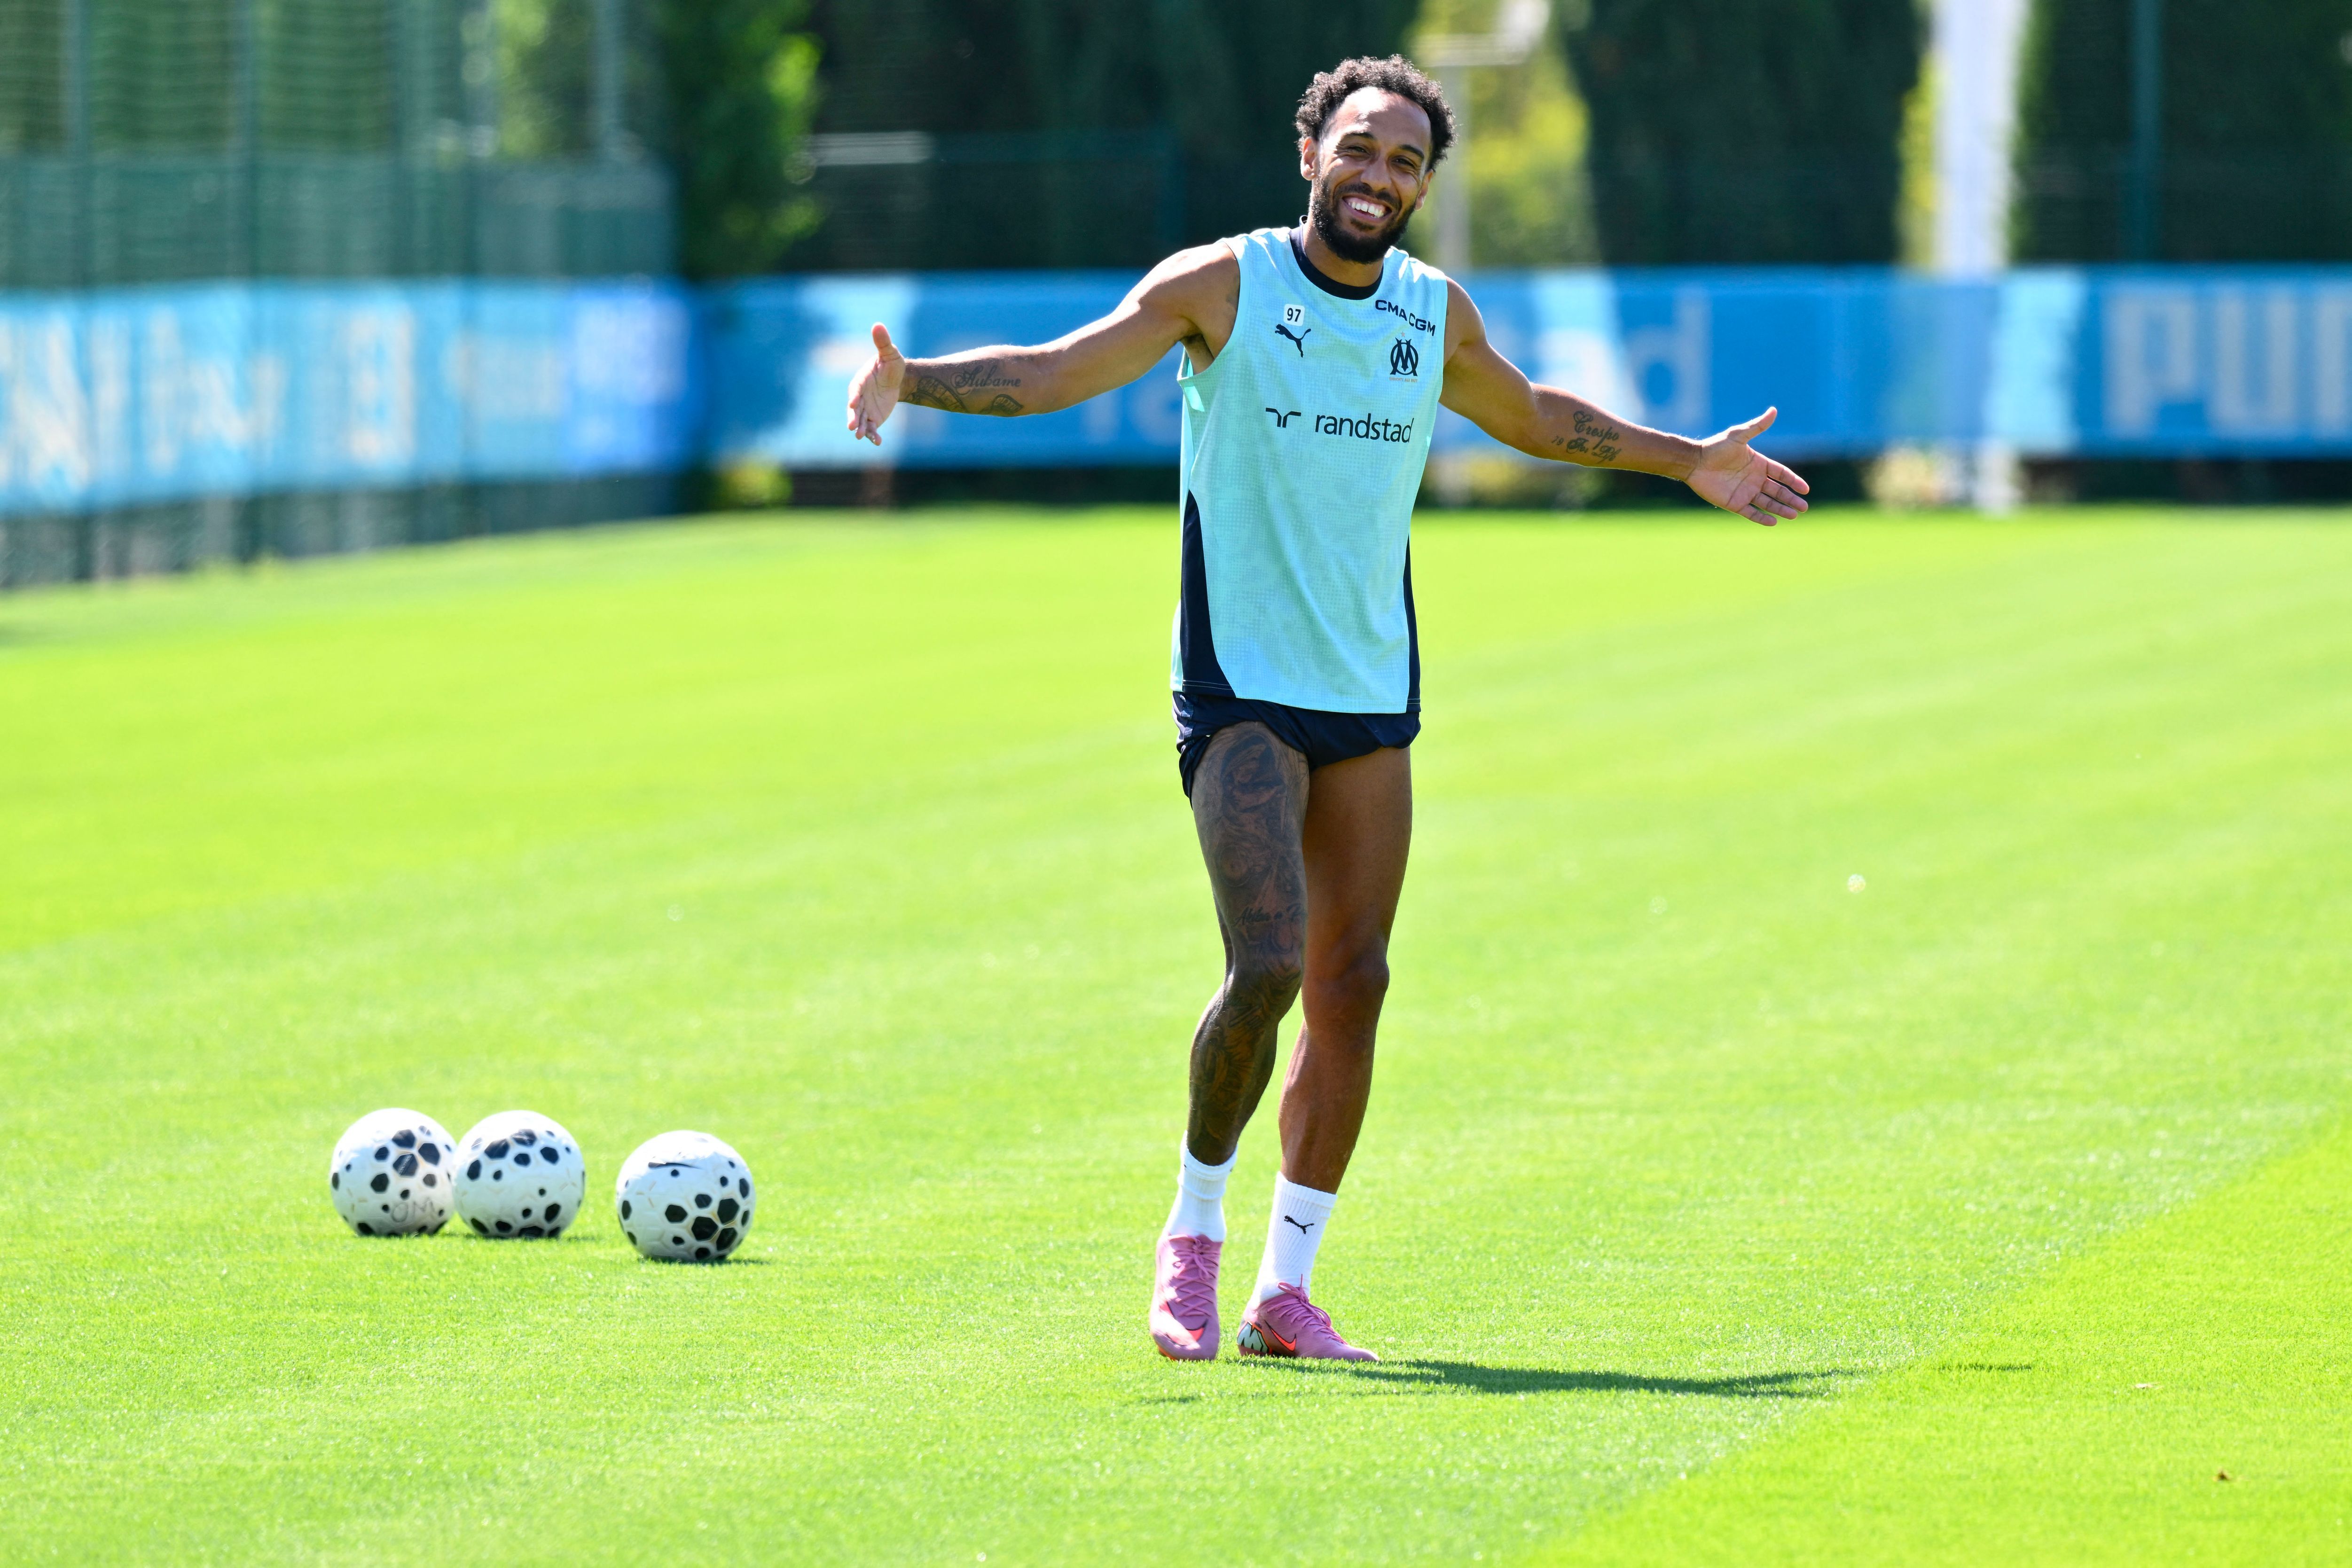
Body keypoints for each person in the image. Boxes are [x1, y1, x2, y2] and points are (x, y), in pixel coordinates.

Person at [844, 55, 1809, 1362]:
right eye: (1358, 149)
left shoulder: (1430, 312)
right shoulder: (1222, 285)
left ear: (1421, 184)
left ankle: (1284, 1292)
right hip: (1238, 680)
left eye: (1404, 161)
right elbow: (1066, 369)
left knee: (1354, 981)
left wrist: (1686, 457)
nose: (1377, 177)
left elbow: (1531, 415)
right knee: (1271, 967)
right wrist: (919, 382)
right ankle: (1190, 1242)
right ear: (1311, 153)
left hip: (1366, 689)